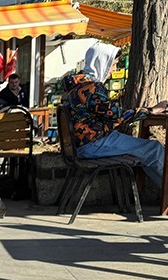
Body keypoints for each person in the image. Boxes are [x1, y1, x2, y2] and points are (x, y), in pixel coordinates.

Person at [63, 42, 168, 188]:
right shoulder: (92, 87)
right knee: (154, 149)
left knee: (146, 152)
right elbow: (116, 115)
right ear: (102, 62)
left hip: (81, 145)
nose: (114, 69)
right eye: (113, 64)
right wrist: (150, 111)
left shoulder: (75, 86)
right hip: (94, 143)